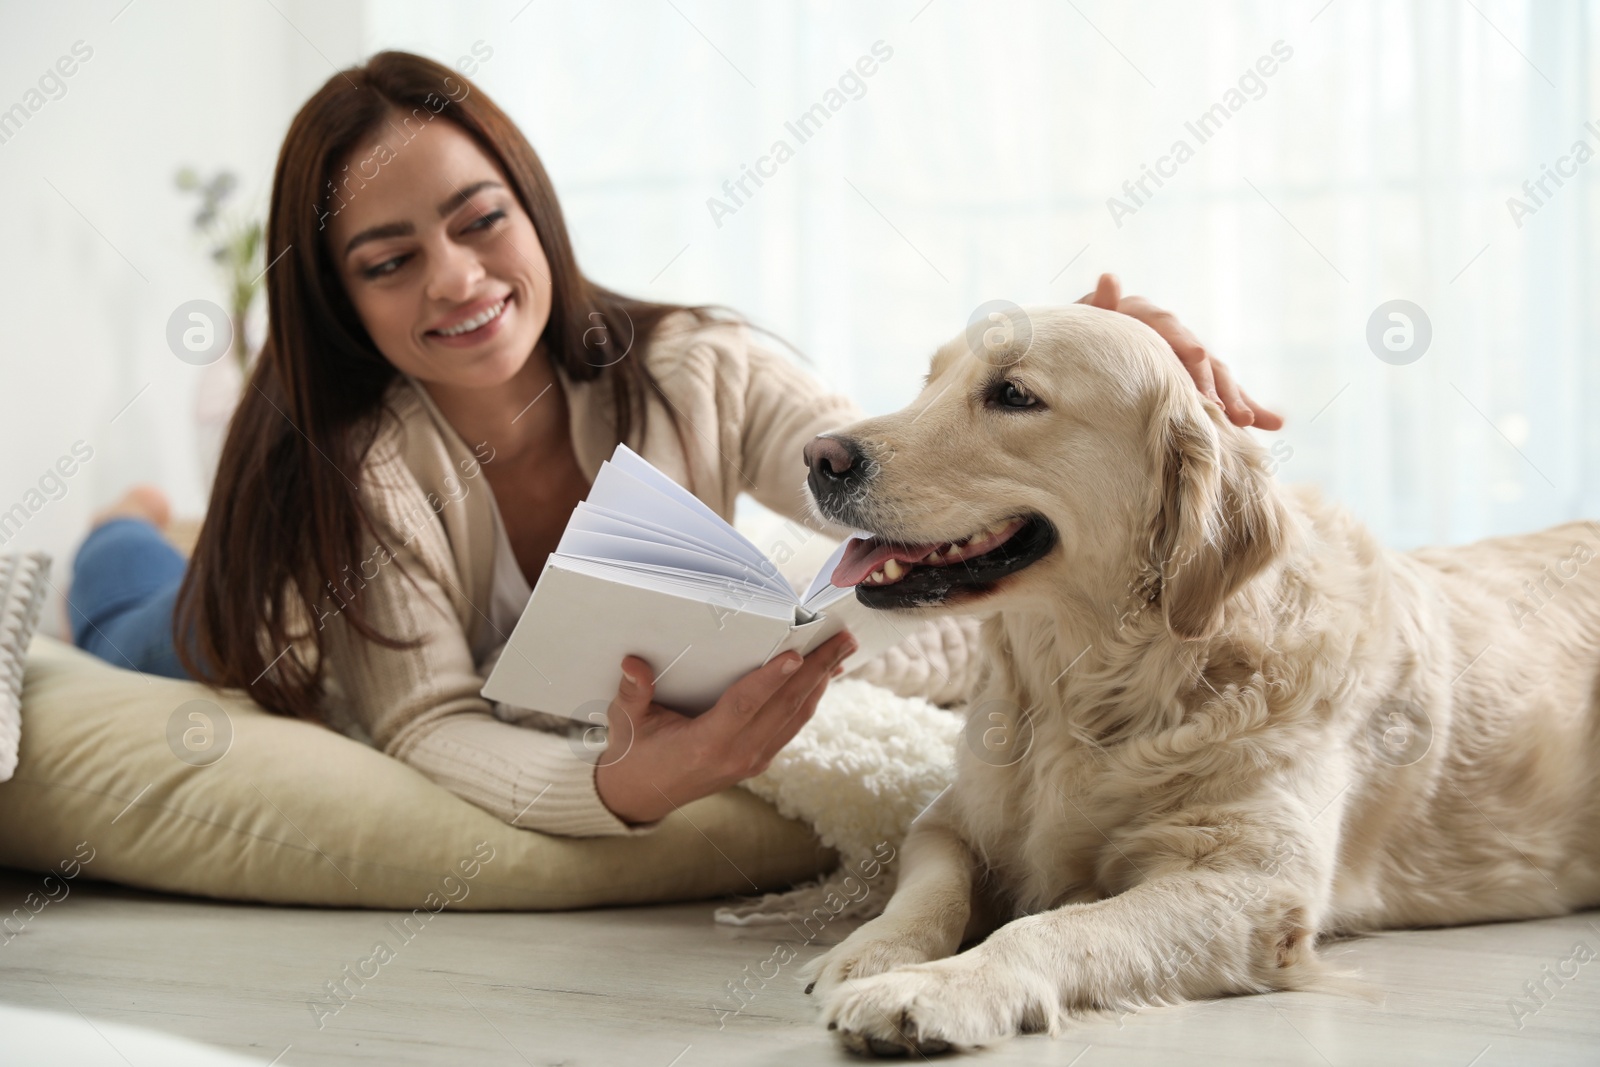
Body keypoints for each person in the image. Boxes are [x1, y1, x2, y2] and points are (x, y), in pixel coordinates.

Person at [67, 52, 1280, 838]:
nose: (457, 279)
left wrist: (1110, 379)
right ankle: (122, 525)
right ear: (343, 300)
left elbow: (879, 480)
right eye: (388, 262)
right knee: (144, 624)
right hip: (269, 612)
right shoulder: (368, 471)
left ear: (532, 209)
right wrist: (623, 785)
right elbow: (427, 725)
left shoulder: (695, 367)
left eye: (481, 220)